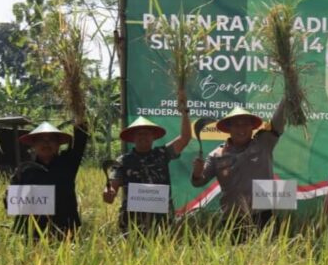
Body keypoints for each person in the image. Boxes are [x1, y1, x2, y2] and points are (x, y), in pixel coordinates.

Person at [191, 101, 285, 237]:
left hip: (265, 215)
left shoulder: (264, 143)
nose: (241, 128)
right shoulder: (216, 155)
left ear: (252, 127)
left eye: (246, 124)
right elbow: (198, 182)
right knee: (238, 256)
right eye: (236, 125)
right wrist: (197, 172)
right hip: (232, 218)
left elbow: (277, 124)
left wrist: (285, 99)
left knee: (270, 256)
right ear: (228, 129)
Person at [103, 111, 191, 233]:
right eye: (139, 134)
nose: (143, 136)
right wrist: (109, 192)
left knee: (162, 251)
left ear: (153, 137)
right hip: (132, 221)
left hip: (162, 220)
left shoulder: (162, 154)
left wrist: (185, 113)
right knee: (131, 252)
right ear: (133, 138)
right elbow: (112, 188)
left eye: (146, 133)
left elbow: (185, 138)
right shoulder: (123, 161)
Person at [9, 120, 89, 239]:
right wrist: (8, 197)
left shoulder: (67, 164)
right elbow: (11, 203)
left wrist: (79, 113)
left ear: (58, 145)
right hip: (32, 233)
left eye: (51, 140)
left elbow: (80, 140)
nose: (46, 144)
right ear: (34, 145)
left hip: (64, 228)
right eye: (41, 140)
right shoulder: (24, 171)